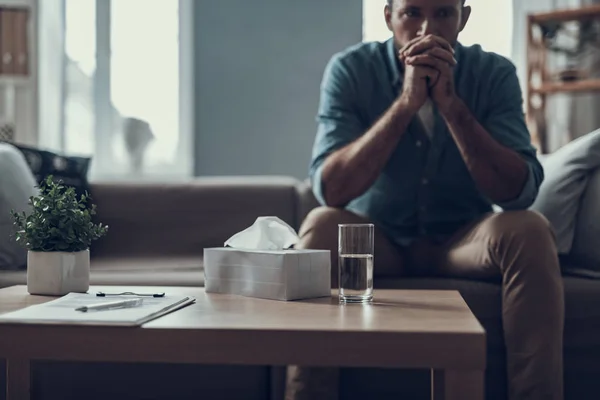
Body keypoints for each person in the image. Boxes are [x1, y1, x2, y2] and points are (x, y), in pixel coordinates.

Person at [285, 0, 564, 399]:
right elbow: (332, 190)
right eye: (412, 12)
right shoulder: (350, 70)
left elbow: (518, 192)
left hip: (461, 242)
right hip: (377, 243)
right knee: (321, 224)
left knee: (531, 230)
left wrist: (452, 106)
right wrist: (406, 103)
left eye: (444, 14)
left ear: (463, 19)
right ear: (389, 17)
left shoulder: (494, 73)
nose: (426, 30)